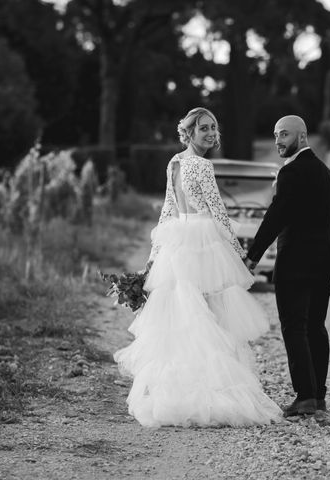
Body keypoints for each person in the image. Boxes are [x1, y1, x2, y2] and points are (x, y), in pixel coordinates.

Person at [113, 107, 282, 427]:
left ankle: (175, 395)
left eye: (213, 128)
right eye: (203, 128)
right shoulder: (201, 165)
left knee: (184, 318)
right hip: (202, 243)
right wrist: (240, 256)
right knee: (207, 317)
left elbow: (168, 212)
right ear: (188, 132)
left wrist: (154, 257)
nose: (210, 133)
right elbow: (217, 213)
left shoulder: (174, 162)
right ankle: (208, 394)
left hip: (178, 243)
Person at [244, 115, 330, 417]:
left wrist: (253, 255)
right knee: (315, 327)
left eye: (284, 134)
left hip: (295, 263)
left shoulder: (291, 172)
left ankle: (305, 396)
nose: (277, 141)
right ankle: (319, 395)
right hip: (323, 264)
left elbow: (277, 215)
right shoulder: (325, 172)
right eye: (275, 135)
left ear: (302, 136)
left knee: (294, 327)